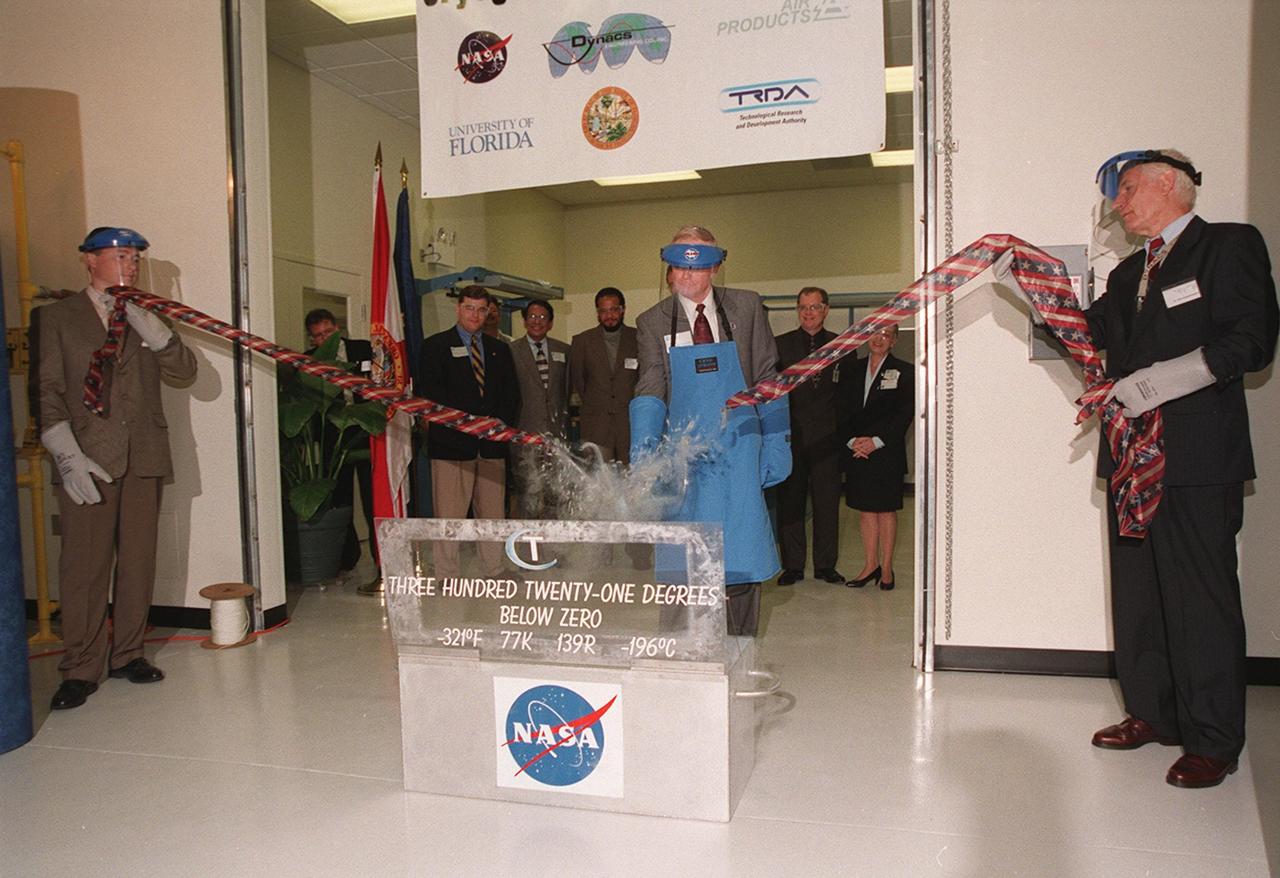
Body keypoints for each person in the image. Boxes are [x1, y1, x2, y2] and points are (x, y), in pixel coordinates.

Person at [1080, 149, 1277, 788]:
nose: (1119, 203)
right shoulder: (1126, 273)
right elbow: (1088, 339)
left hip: (1196, 458)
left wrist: (1165, 381)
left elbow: (1252, 340)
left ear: (1171, 183)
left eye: (1128, 188)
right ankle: (1151, 713)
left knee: (1203, 598)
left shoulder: (1227, 246)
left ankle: (1214, 737)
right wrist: (1030, 287)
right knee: (1138, 596)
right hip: (1132, 456)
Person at [37, 227, 197, 710]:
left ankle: (128, 654)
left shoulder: (147, 313)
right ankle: (80, 667)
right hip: (88, 456)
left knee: (138, 562)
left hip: (144, 455)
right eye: (121, 256)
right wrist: (66, 455)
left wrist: (160, 336)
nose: (130, 265)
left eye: (136, 258)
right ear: (89, 260)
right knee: (84, 568)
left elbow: (185, 372)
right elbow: (46, 391)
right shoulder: (56, 317)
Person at [632, 225, 790, 636]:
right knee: (679, 559)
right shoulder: (650, 321)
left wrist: (776, 442)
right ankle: (677, 652)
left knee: (739, 554)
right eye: (677, 269)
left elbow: (767, 376)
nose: (685, 277)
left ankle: (742, 649)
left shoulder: (747, 307)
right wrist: (645, 453)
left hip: (739, 452)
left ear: (715, 267)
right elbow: (650, 387)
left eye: (697, 268)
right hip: (683, 460)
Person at [418, 285, 520, 571]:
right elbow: (433, 394)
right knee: (449, 515)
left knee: (492, 514)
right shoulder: (434, 346)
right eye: (469, 308)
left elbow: (511, 395)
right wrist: (470, 423)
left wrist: (496, 425)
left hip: (491, 444)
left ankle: (494, 569)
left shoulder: (500, 350)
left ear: (489, 312)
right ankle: (447, 573)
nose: (475, 315)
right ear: (458, 309)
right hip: (451, 445)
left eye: (481, 309)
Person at [302, 308, 380, 595]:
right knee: (341, 500)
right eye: (318, 336)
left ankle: (380, 559)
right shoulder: (311, 359)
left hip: (367, 433)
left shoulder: (363, 348)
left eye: (328, 333)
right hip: (336, 441)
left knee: (372, 499)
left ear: (338, 329)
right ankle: (346, 560)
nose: (324, 339)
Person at [774, 287, 844, 586]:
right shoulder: (781, 346)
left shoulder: (841, 345)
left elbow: (847, 395)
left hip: (828, 438)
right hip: (792, 437)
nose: (808, 312)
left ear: (826, 309)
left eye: (814, 307)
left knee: (827, 504)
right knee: (790, 504)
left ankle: (826, 565)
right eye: (803, 307)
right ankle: (792, 565)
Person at [839, 324, 913, 591]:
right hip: (857, 450)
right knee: (866, 509)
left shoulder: (905, 371)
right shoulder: (852, 369)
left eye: (885, 335)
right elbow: (842, 409)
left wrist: (877, 441)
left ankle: (887, 568)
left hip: (886, 451)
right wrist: (852, 441)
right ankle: (870, 565)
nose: (879, 339)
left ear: (894, 341)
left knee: (886, 509)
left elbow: (905, 413)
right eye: (874, 333)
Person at [509, 300, 570, 518]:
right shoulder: (510, 351)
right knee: (527, 494)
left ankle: (554, 546)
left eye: (543, 317)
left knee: (556, 492)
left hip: (556, 436)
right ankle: (527, 545)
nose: (537, 321)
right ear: (525, 321)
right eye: (532, 317)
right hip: (524, 434)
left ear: (551, 323)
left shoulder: (564, 350)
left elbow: (568, 390)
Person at [569, 288, 639, 464]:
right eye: (604, 311)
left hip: (630, 425)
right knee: (599, 483)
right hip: (596, 425)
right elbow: (579, 381)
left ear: (623, 310)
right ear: (598, 313)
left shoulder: (638, 338)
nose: (609, 315)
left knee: (630, 481)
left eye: (614, 309)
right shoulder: (582, 342)